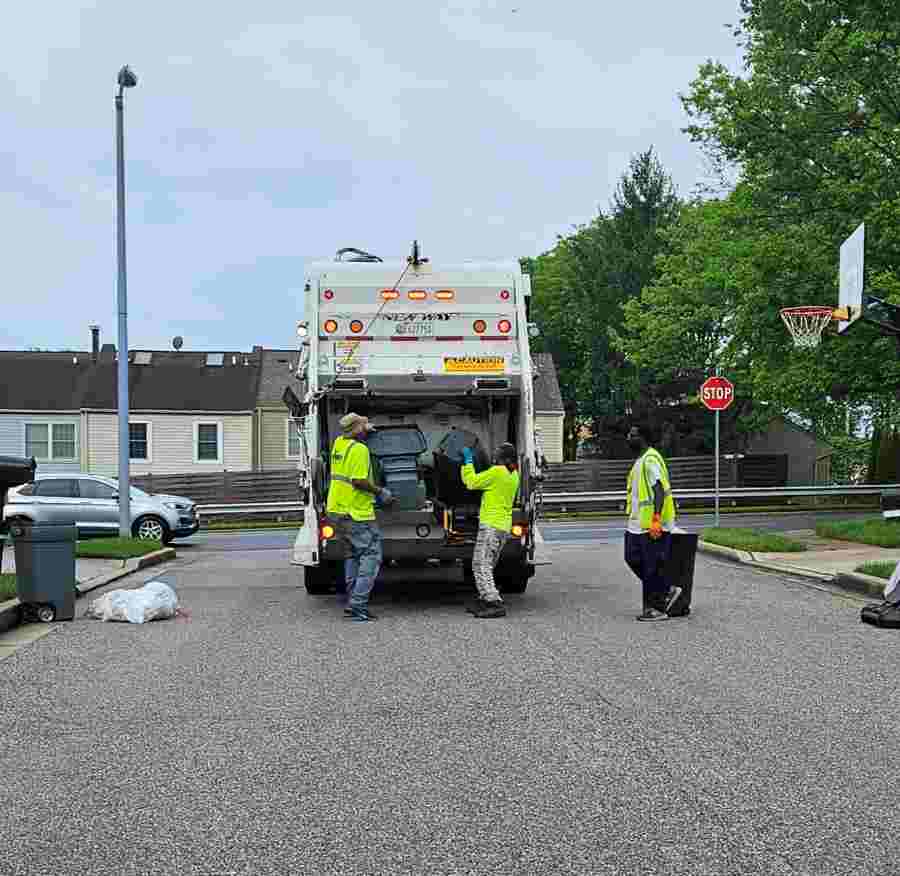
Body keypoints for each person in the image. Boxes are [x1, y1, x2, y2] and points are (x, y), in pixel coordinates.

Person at [325, 413, 393, 622]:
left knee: (353, 556)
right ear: (357, 430)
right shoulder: (360, 450)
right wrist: (380, 492)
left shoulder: (339, 443)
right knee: (371, 556)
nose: (367, 427)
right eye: (364, 425)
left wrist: (364, 428)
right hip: (356, 512)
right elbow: (358, 481)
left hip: (336, 510)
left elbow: (353, 432)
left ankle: (352, 601)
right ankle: (358, 606)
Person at [624, 425, 681, 621]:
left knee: (651, 567)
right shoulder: (640, 460)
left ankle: (655, 609)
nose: (628, 438)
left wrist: (656, 519)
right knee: (631, 558)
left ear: (643, 437)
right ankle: (666, 589)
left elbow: (659, 490)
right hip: (637, 524)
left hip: (652, 524)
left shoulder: (650, 460)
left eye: (632, 435)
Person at [460, 442, 520, 619]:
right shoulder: (513, 474)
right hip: (503, 526)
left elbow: (471, 482)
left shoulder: (497, 472)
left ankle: (493, 602)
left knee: (480, 564)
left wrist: (467, 462)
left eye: (497, 454)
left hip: (491, 526)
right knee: (488, 564)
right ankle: (484, 598)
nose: (494, 456)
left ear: (505, 459)